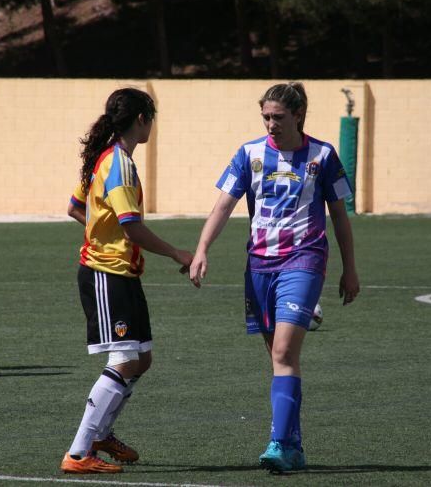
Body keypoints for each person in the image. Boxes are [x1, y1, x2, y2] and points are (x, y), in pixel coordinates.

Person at [189, 82, 360, 472]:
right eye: (265, 116)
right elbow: (223, 206)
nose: (270, 124)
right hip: (259, 265)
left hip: (304, 259)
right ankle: (294, 446)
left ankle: (280, 443)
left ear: (298, 115)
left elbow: (340, 217)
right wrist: (202, 249)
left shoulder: (323, 155)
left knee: (284, 352)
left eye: (278, 117)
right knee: (279, 359)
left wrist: (350, 268)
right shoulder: (248, 153)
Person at [61, 88, 193, 474]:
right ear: (141, 119)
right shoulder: (116, 162)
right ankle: (79, 452)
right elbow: (132, 227)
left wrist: (100, 229)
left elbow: (75, 207)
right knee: (124, 359)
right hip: (107, 274)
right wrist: (178, 254)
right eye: (151, 117)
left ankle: (101, 434)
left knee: (142, 359)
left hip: (123, 273)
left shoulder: (107, 157)